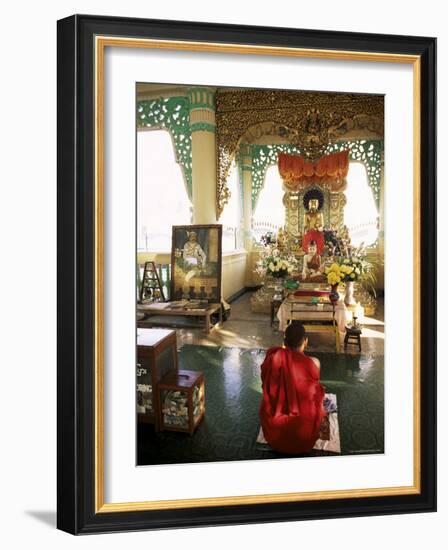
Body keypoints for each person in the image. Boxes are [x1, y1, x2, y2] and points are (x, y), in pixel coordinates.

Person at [259, 322, 326, 454]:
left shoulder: (273, 358)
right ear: (305, 341)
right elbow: (314, 392)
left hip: (274, 435)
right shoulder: (314, 363)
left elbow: (266, 385)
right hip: (305, 437)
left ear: (284, 341)